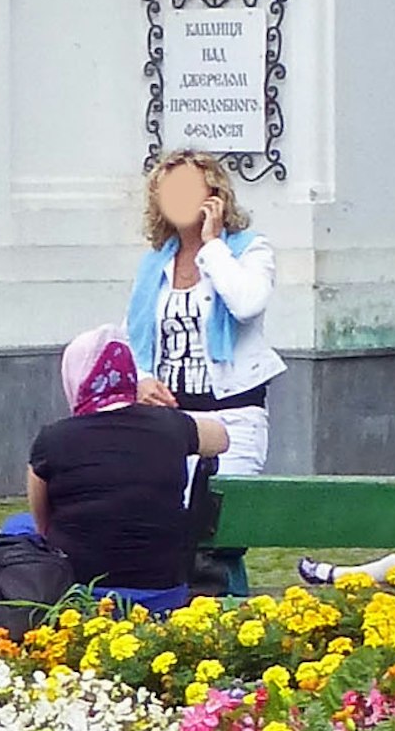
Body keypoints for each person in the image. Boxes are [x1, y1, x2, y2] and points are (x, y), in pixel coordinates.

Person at [26, 327, 223, 601]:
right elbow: (221, 438)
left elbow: (42, 524)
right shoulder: (171, 426)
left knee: (18, 527)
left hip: (82, 593)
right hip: (164, 592)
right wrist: (162, 415)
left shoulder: (53, 438)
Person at [125, 152, 281, 476]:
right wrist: (141, 381)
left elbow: (247, 304)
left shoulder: (248, 250)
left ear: (214, 196)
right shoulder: (155, 264)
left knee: (223, 515)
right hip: (170, 419)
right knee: (169, 517)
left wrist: (212, 244)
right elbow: (131, 336)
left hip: (233, 415)